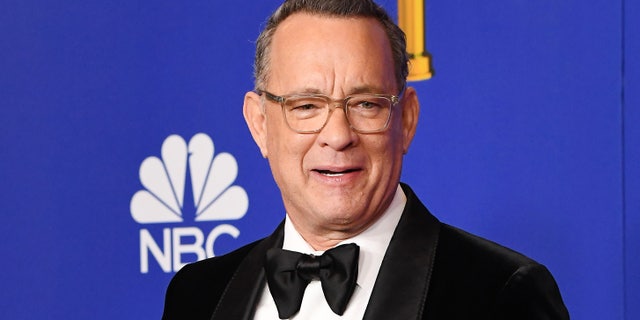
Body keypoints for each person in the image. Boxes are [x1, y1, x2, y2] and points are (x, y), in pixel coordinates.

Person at [162, 0, 570, 319]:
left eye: (366, 105)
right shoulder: (197, 295)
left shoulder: (500, 293)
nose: (338, 136)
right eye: (306, 106)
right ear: (259, 124)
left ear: (406, 120)